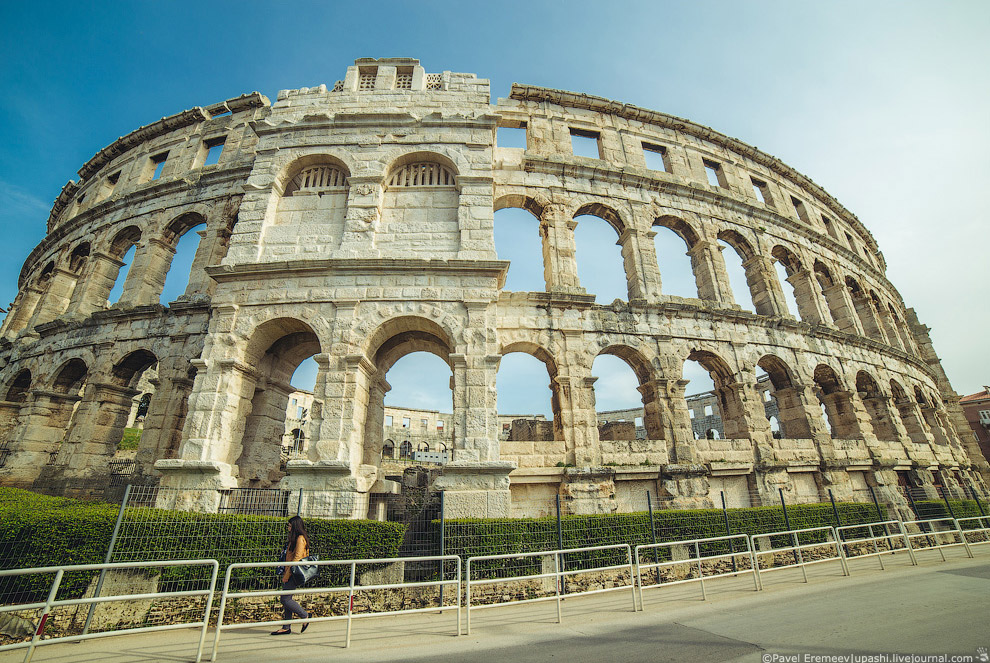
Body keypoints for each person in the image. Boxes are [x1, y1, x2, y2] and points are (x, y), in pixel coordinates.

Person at [271, 515, 310, 635]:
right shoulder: (295, 538)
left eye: (289, 525)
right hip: (289, 571)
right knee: (287, 598)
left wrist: (287, 574)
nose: (288, 527)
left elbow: (297, 558)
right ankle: (286, 626)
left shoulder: (300, 539)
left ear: (295, 527)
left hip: (293, 572)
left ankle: (305, 616)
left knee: (285, 599)